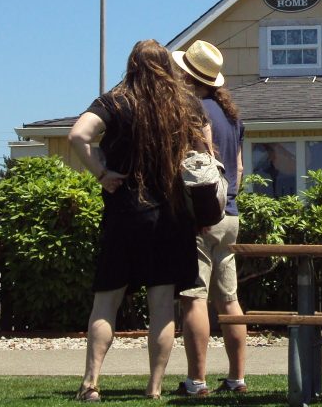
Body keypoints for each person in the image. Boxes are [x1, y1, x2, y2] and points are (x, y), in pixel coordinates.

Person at [69, 39, 209, 402]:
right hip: (171, 219)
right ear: (167, 65)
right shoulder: (184, 104)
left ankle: (91, 384)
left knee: (106, 302)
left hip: (125, 214)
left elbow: (78, 135)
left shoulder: (115, 100)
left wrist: (101, 173)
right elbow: (205, 153)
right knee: (162, 306)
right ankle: (154, 387)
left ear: (131, 64)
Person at [172, 40, 248, 396]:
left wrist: (201, 208)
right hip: (230, 213)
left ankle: (197, 381)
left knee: (194, 298)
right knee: (229, 299)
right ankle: (236, 379)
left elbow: (198, 167)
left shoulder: (192, 112)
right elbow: (239, 169)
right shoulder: (232, 116)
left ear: (187, 75)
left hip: (203, 217)